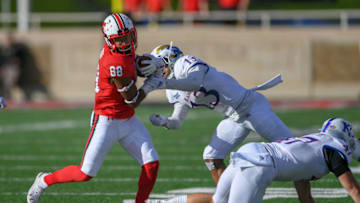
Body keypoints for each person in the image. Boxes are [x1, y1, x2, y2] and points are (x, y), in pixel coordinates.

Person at [27, 13, 162, 203]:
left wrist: (151, 63)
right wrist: (150, 84)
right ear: (110, 41)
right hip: (106, 120)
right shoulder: (113, 62)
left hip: (127, 118)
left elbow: (133, 62)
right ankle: (43, 181)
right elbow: (132, 99)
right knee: (85, 173)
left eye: (128, 37)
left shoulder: (120, 51)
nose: (125, 42)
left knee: (151, 163)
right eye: (120, 40)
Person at [141, 44, 293, 184]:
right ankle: (230, 198)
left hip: (252, 107)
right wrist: (164, 122)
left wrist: (163, 84)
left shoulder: (184, 62)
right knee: (211, 157)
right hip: (235, 118)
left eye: (158, 66)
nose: (157, 72)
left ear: (169, 59)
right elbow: (177, 121)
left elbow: (193, 82)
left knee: (293, 151)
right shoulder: (172, 90)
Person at [165, 118, 360, 203]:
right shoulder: (335, 148)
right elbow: (353, 190)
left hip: (251, 152)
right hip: (260, 164)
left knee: (217, 200)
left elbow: (304, 194)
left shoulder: (314, 145)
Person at [3, 32, 53, 101]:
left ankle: (51, 98)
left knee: (35, 88)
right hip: (29, 76)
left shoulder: (19, 48)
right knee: (32, 89)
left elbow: (12, 55)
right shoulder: (21, 49)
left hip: (28, 76)